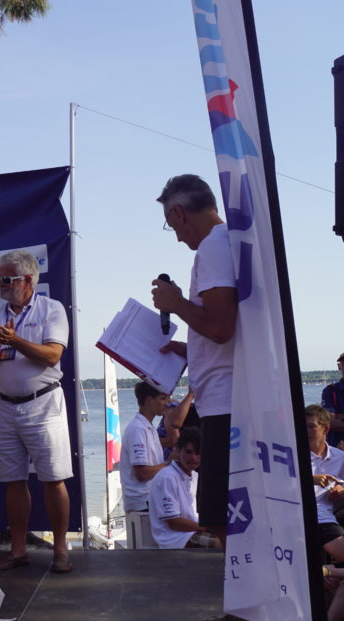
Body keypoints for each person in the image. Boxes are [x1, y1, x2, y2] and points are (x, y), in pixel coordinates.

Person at [150, 174, 237, 546]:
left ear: (179, 213)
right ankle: (244, 592)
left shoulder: (213, 248)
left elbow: (220, 327)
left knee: (219, 513)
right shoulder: (229, 240)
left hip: (223, 402)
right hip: (226, 396)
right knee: (223, 509)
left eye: (172, 226)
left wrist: (177, 304)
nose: (177, 236)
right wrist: (188, 349)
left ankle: (242, 595)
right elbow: (226, 333)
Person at [0, 249, 73, 573]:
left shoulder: (51, 309)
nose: (0, 284)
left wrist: (15, 341)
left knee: (53, 478)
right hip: (3, 406)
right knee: (13, 481)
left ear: (27, 280)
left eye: (7, 279)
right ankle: (18, 549)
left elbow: (52, 355)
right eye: (0, 278)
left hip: (43, 404)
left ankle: (61, 549)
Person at [120, 381, 172, 548]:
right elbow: (141, 473)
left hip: (150, 501)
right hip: (143, 503)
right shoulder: (138, 429)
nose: (166, 403)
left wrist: (171, 414)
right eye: (163, 399)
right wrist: (169, 464)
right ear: (149, 400)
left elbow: (173, 440)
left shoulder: (148, 427)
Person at [148, 427, 218, 549]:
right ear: (177, 450)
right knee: (220, 544)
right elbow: (174, 523)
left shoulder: (194, 476)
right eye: (189, 452)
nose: (193, 458)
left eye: (198, 453)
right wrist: (205, 528)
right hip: (174, 539)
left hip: (190, 532)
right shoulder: (167, 477)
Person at [306, 404, 344, 561]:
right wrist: (310, 480)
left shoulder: (340, 457)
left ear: (325, 429)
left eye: (311, 427)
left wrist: (341, 488)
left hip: (324, 516)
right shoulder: (292, 455)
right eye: (302, 426)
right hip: (295, 516)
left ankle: (329, 573)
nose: (305, 431)